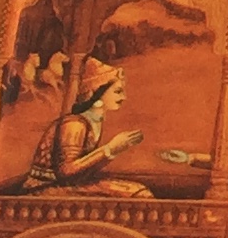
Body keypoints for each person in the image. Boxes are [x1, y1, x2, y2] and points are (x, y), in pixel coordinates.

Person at [16, 63, 151, 195]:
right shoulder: (75, 124)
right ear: (96, 93)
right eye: (118, 91)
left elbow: (84, 170)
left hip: (72, 184)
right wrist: (110, 149)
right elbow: (65, 171)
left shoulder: (93, 122)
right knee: (139, 194)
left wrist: (114, 150)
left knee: (138, 190)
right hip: (46, 188)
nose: (124, 97)